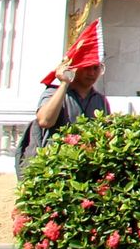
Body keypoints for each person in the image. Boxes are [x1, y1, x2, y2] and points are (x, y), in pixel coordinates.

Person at [18, 26, 109, 175]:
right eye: (86, 68)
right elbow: (45, 121)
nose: (92, 73)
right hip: (54, 168)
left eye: (95, 68)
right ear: (75, 68)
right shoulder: (54, 93)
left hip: (86, 170)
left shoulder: (99, 100)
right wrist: (64, 83)